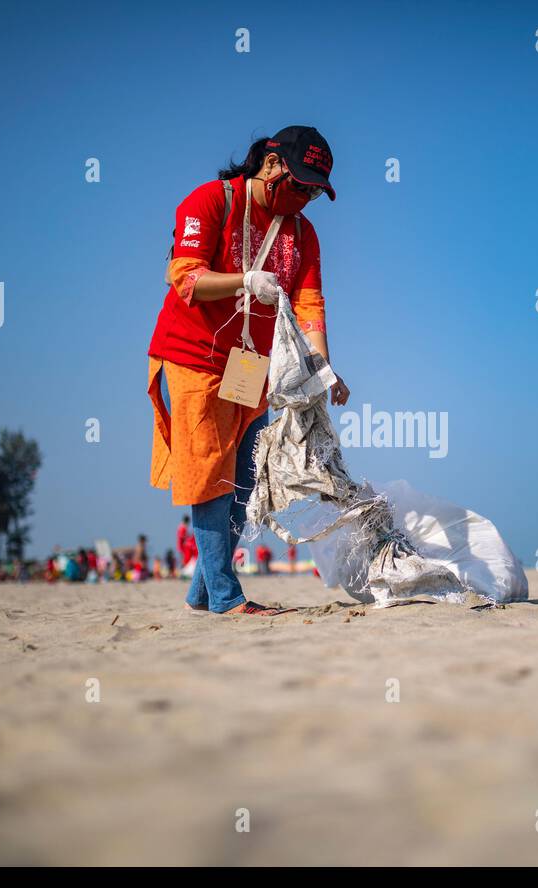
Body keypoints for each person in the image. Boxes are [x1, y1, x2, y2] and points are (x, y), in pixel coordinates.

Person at [148, 126, 347, 615]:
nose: (304, 199)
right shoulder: (212, 201)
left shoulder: (303, 233)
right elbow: (185, 277)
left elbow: (309, 302)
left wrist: (323, 366)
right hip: (193, 356)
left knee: (243, 479)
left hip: (250, 366)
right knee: (210, 472)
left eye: (314, 192)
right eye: (299, 185)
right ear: (271, 165)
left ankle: (204, 590)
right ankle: (225, 596)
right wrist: (244, 280)